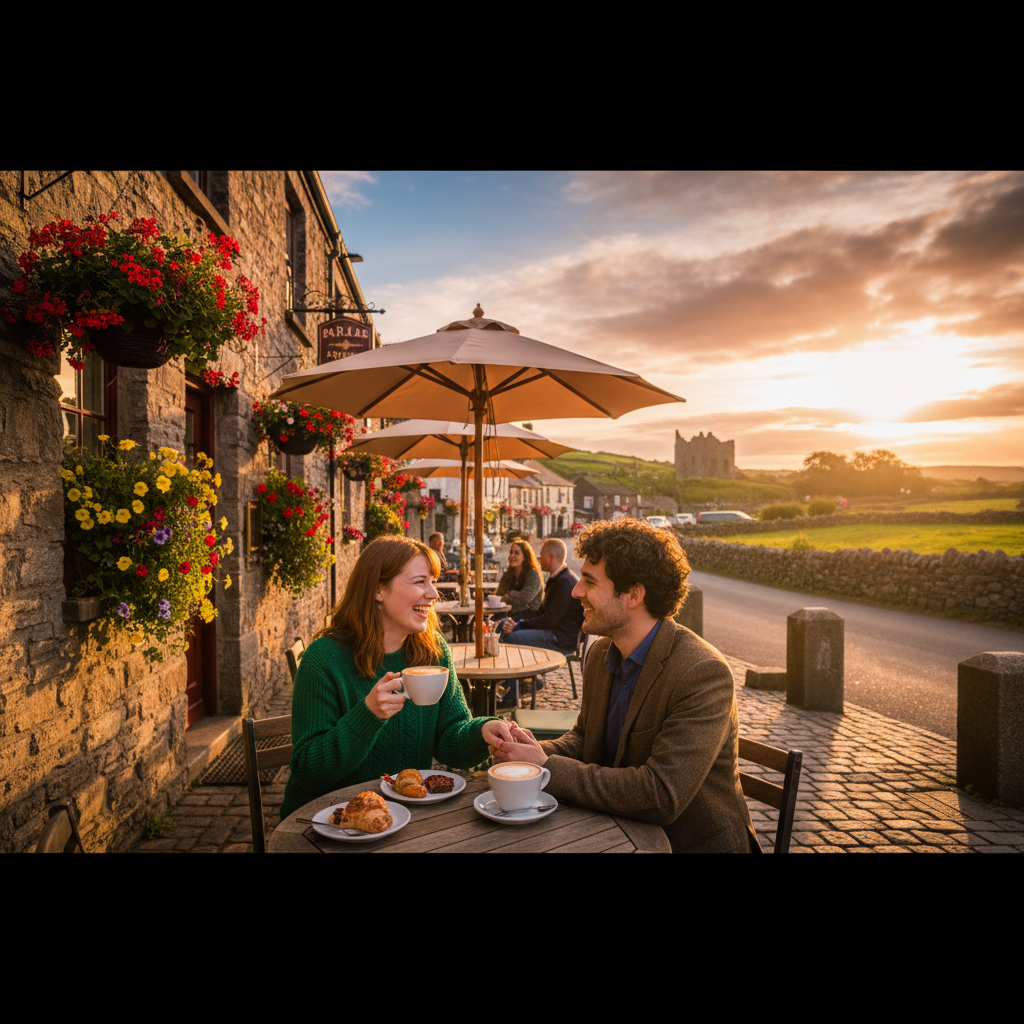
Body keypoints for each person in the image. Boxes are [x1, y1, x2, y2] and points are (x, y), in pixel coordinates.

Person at [489, 518, 761, 853]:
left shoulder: (702, 673)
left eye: (589, 581)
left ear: (633, 595)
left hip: (685, 844)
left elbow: (661, 794)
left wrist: (546, 768)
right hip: (614, 829)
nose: (576, 591)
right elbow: (586, 739)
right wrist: (533, 752)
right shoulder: (603, 651)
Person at [280, 536, 511, 819]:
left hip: (403, 818)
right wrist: (368, 715)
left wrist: (482, 733)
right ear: (379, 590)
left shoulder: (433, 651)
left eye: (433, 582)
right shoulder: (323, 659)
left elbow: (449, 737)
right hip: (329, 822)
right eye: (419, 582)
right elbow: (308, 770)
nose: (434, 594)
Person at [495, 538, 585, 708]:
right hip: (554, 632)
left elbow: (550, 619)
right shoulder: (557, 579)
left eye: (541, 555)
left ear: (550, 556)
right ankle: (521, 683)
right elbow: (541, 612)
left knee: (512, 638)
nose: (538, 558)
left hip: (560, 639)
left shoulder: (565, 582)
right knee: (504, 627)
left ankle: (511, 694)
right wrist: (516, 620)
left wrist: (520, 625)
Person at [494, 539, 543, 615]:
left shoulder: (533, 574)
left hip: (528, 616)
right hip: (509, 613)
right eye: (511, 552)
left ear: (525, 556)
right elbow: (499, 595)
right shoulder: (509, 573)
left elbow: (525, 597)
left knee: (501, 624)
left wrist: (509, 594)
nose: (512, 556)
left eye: (516, 553)